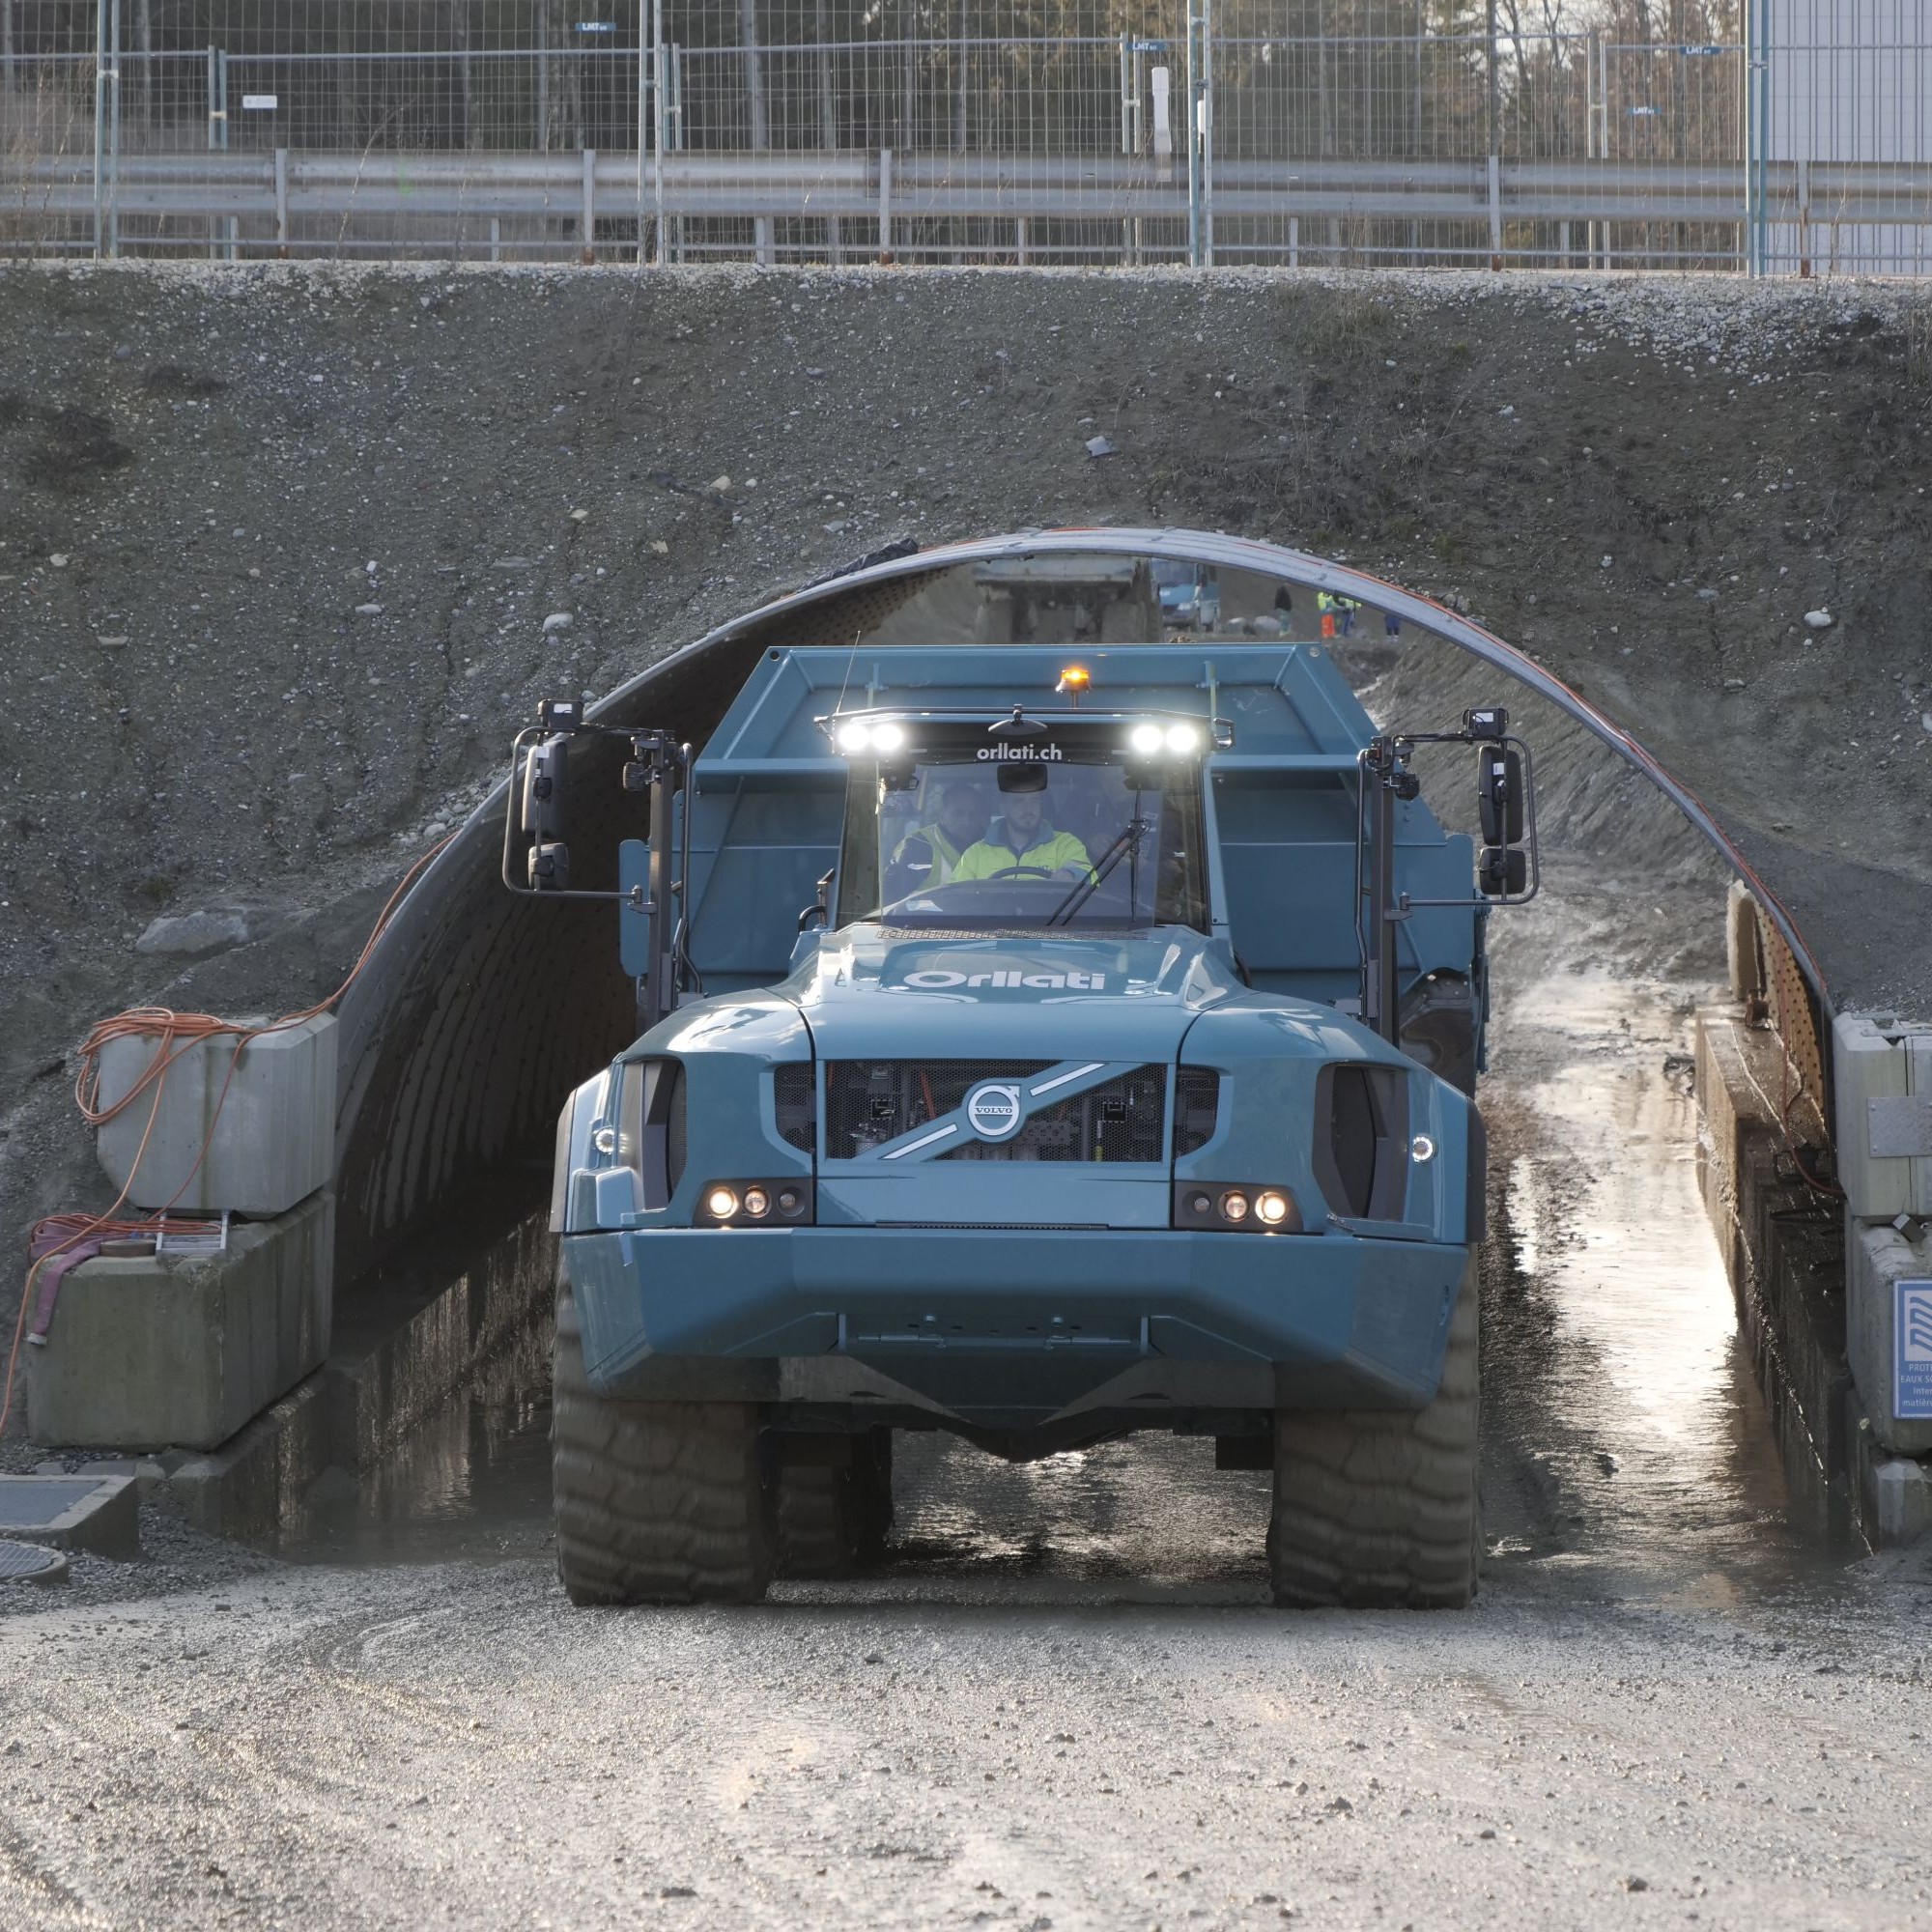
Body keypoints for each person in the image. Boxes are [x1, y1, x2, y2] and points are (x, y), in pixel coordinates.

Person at [952, 780, 1091, 882]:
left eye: (1034, 800)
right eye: (1019, 801)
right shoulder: (975, 854)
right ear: (1003, 807)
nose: (1028, 808)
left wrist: (1071, 875)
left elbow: (1089, 876)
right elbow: (956, 899)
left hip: (1053, 921)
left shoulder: (1064, 844)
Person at [890, 782, 990, 888]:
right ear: (941, 815)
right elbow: (893, 895)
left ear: (980, 816)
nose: (967, 821)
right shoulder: (918, 846)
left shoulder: (995, 846)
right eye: (958, 813)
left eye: (973, 814)